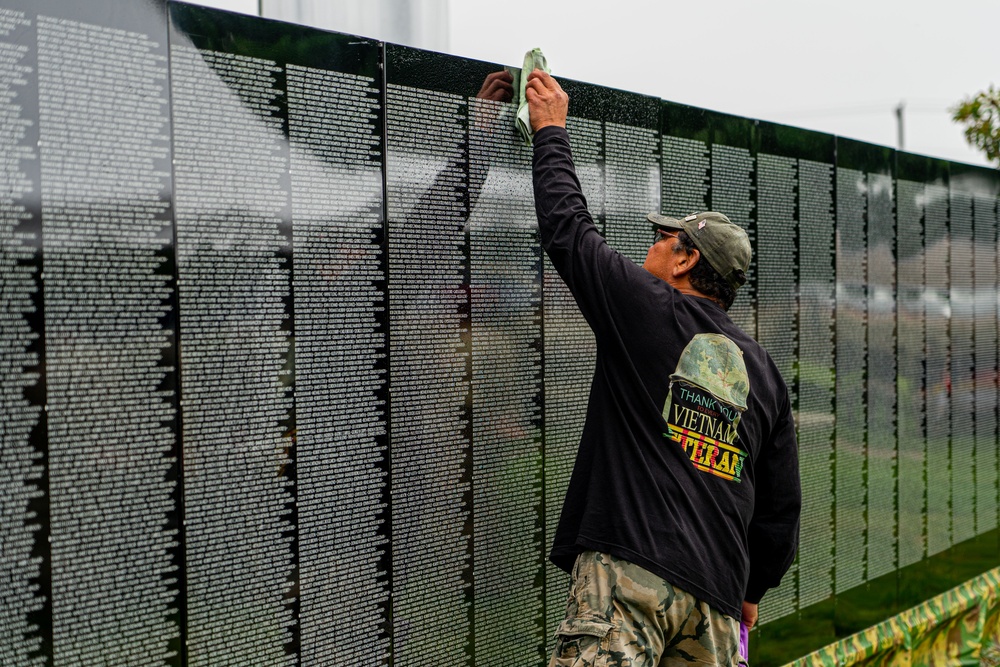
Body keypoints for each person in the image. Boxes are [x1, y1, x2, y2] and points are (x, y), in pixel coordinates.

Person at [525, 69, 801, 666]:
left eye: (663, 239)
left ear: (685, 260)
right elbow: (780, 509)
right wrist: (749, 591)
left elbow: (569, 230)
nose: (649, 245)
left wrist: (550, 132)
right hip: (717, 600)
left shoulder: (648, 308)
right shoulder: (764, 372)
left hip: (629, 576)